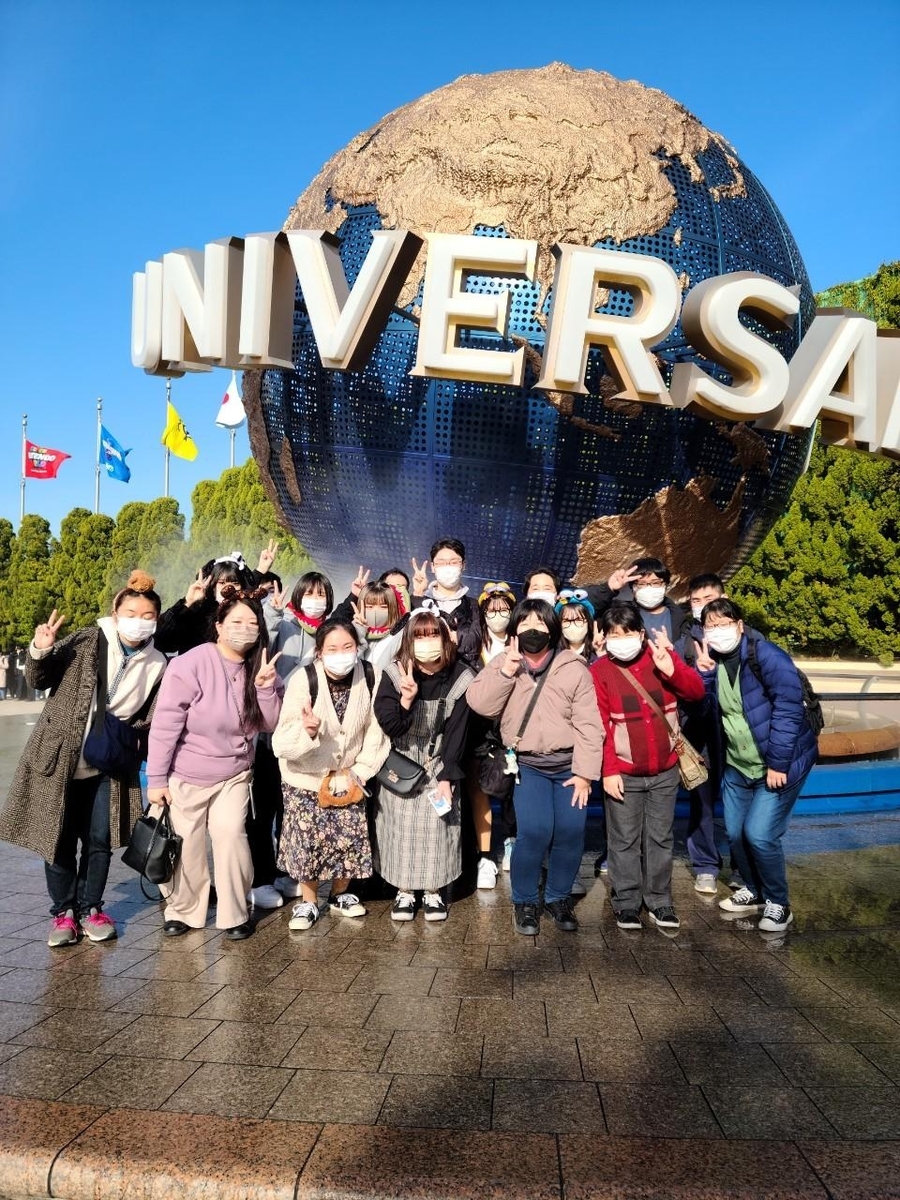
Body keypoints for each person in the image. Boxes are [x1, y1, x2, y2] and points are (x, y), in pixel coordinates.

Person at [0, 572, 167, 946]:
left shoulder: (158, 662)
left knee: (99, 839)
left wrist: (132, 742)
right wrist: (40, 649)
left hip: (109, 762)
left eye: (147, 615)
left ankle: (92, 909)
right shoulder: (88, 639)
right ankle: (63, 913)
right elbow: (39, 679)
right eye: (131, 613)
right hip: (60, 756)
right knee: (57, 836)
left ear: (157, 619)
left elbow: (151, 717)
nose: (139, 621)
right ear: (116, 612)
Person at [146, 588, 283, 941]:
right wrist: (157, 779)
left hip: (234, 774)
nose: (244, 629)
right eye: (236, 621)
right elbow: (165, 725)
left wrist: (265, 688)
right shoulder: (189, 664)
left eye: (252, 623)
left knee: (231, 835)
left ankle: (235, 912)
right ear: (219, 626)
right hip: (186, 773)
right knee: (187, 845)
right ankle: (183, 910)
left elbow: (269, 724)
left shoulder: (261, 666)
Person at [467, 598, 605, 936]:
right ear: (515, 630)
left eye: (540, 623)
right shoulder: (504, 662)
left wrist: (585, 773)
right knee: (534, 832)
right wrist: (506, 671)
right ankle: (525, 900)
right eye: (525, 623)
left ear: (552, 628)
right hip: (528, 766)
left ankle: (558, 897)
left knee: (570, 833)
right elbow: (479, 703)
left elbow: (589, 724)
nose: (533, 630)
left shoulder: (573, 666)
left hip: (570, 767)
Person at [696, 598, 819, 933]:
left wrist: (778, 764)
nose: (717, 631)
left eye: (724, 624)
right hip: (737, 764)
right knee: (736, 833)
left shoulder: (767, 656)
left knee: (760, 834)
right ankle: (753, 890)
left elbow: (789, 709)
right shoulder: (714, 661)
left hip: (777, 764)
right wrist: (705, 676)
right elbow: (705, 711)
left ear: (739, 625)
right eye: (710, 626)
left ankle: (779, 903)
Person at [590, 601, 705, 932]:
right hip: (624, 771)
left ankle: (659, 900)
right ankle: (626, 903)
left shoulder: (659, 658)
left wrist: (672, 668)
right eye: (614, 635)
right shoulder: (599, 671)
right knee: (623, 839)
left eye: (627, 633)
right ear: (605, 638)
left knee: (660, 838)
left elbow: (696, 692)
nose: (621, 641)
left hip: (664, 770)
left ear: (641, 634)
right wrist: (609, 770)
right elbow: (601, 727)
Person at [271, 620, 390, 931]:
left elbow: (376, 731)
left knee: (348, 839)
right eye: (332, 648)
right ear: (319, 652)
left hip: (349, 775)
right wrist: (307, 731)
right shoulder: (304, 679)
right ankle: (308, 901)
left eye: (347, 646)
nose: (341, 654)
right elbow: (281, 742)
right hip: (306, 776)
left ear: (358, 647)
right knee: (307, 841)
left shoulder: (372, 675)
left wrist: (360, 771)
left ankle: (339, 895)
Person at [373, 609, 473, 921]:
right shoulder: (394, 673)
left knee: (437, 828)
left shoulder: (461, 677)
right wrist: (406, 700)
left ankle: (433, 891)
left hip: (439, 761)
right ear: (408, 640)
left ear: (445, 639)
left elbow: (458, 733)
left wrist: (447, 777)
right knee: (399, 829)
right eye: (419, 635)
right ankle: (404, 892)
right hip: (401, 764)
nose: (427, 642)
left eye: (433, 634)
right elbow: (390, 725)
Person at [675, 573, 728, 895]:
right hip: (701, 736)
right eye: (696, 601)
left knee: (742, 806)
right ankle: (705, 865)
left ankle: (745, 867)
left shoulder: (749, 639)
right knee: (703, 804)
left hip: (740, 738)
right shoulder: (686, 644)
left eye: (709, 599)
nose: (703, 606)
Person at [468, 582, 518, 888]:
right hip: (480, 726)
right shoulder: (473, 643)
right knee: (479, 788)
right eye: (492, 610)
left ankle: (512, 842)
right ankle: (485, 855)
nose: (498, 615)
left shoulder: (522, 641)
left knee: (512, 787)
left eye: (504, 609)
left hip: (513, 725)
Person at [154, 552, 256, 656]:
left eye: (235, 583)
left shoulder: (249, 614)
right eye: (222, 583)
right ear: (213, 586)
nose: (229, 588)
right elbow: (161, 642)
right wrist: (187, 602)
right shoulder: (197, 613)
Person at [410, 538, 482, 669]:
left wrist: (452, 637)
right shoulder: (420, 602)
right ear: (433, 567)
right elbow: (408, 635)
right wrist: (418, 593)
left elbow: (476, 641)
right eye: (441, 563)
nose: (447, 567)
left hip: (464, 674)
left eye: (454, 562)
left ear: (463, 565)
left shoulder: (473, 605)